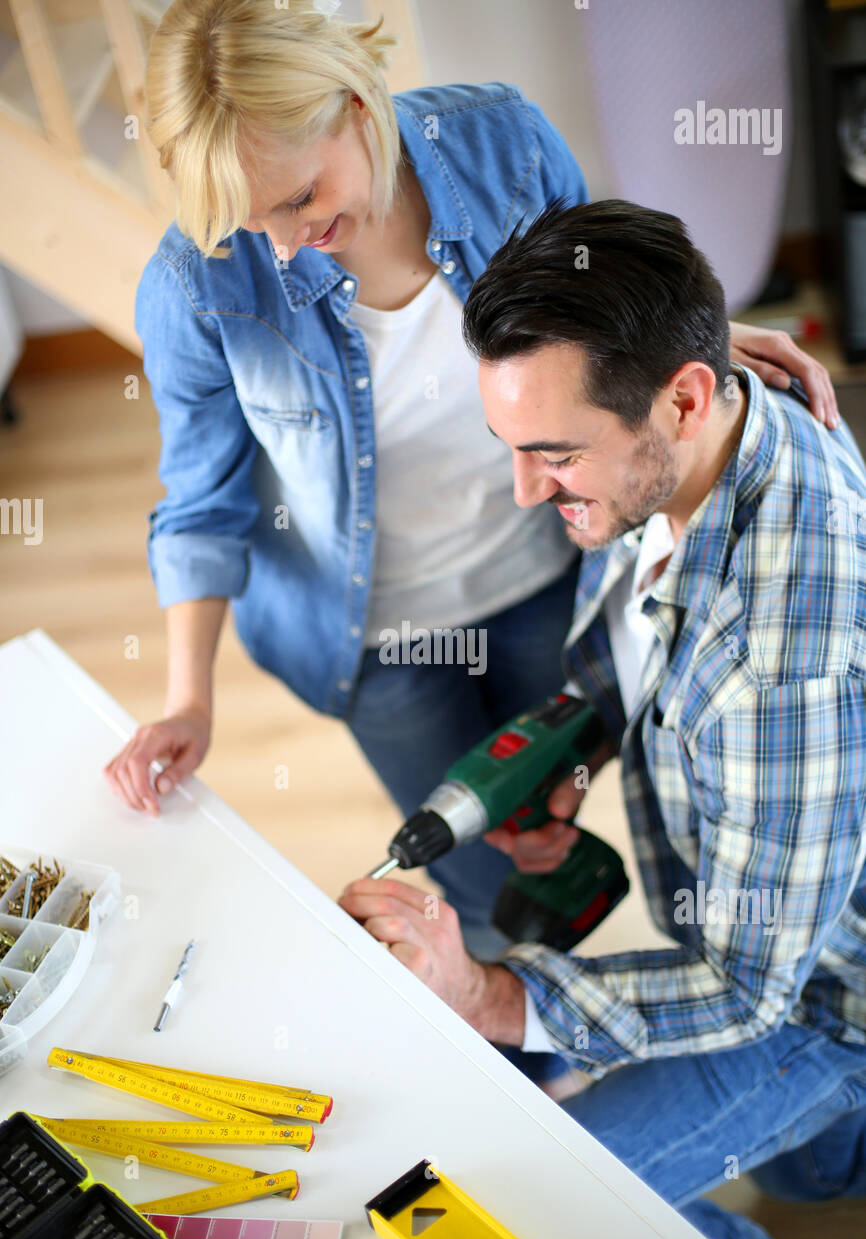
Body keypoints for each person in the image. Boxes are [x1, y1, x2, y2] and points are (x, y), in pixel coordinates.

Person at [105, 0, 838, 942]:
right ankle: (527, 1047)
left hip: (545, 572)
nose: (281, 245)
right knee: (481, 891)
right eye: (250, 222)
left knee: (554, 812)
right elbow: (202, 503)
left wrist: (704, 344)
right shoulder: (195, 280)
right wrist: (189, 704)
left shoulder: (501, 148)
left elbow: (602, 316)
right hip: (376, 639)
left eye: (297, 199)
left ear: (355, 108)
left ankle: (563, 1016)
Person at [338, 198, 866, 1239]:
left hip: (819, 995)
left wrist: (488, 994)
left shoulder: (778, 657)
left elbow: (747, 985)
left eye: (552, 455)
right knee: (812, 1177)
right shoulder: (724, 403)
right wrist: (575, 756)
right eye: (510, 447)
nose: (527, 491)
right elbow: (641, 633)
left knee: (538, 1211)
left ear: (677, 399)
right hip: (765, 895)